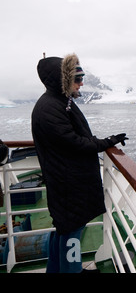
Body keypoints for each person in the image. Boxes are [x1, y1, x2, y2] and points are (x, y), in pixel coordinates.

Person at [31, 53, 128, 273]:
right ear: (62, 80)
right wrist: (107, 142)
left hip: (67, 183)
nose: (81, 83)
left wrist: (105, 141)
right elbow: (75, 142)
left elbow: (76, 137)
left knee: (64, 232)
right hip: (69, 186)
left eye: (82, 77)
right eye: (77, 78)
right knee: (71, 237)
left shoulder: (58, 102)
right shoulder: (50, 108)